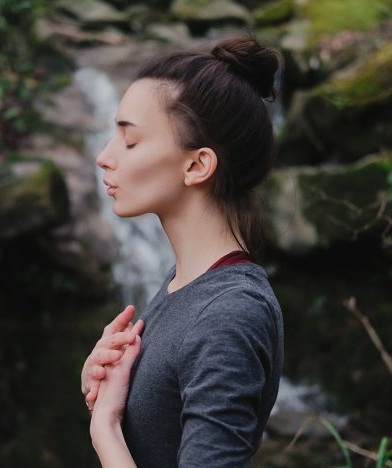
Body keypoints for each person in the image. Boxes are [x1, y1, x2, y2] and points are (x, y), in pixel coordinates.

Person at [80, 36, 284, 468]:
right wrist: (110, 388)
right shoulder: (185, 284)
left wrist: (105, 430)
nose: (103, 158)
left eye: (130, 142)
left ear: (197, 165)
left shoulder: (229, 314)